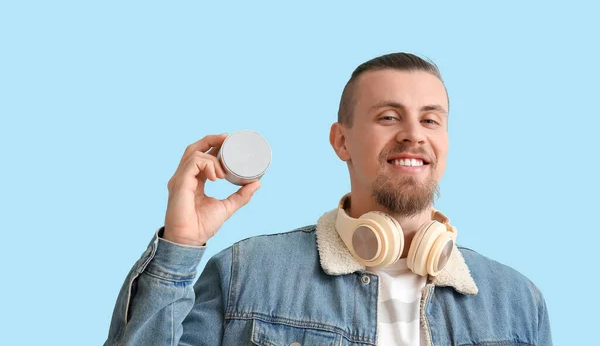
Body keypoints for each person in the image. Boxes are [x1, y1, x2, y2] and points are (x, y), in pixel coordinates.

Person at [105, 52, 552, 346]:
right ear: (342, 141)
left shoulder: (516, 303)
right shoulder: (246, 274)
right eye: (389, 116)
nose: (413, 134)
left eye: (431, 120)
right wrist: (180, 246)